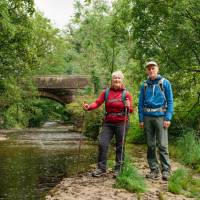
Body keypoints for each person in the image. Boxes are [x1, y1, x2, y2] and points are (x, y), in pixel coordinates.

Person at [82, 70, 134, 177]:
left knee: (120, 146)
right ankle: (101, 168)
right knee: (102, 143)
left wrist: (128, 106)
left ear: (122, 80)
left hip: (122, 123)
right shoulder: (106, 92)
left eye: (119, 78)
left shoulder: (126, 93)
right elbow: (97, 102)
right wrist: (89, 107)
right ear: (112, 80)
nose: (117, 80)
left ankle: (119, 169)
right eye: (115, 78)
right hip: (108, 123)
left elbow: (132, 110)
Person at [138, 61, 174, 181]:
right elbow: (140, 103)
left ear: (157, 69)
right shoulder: (144, 85)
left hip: (161, 117)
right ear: (147, 71)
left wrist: (168, 117)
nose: (151, 70)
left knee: (163, 145)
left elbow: (170, 101)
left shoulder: (165, 83)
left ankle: (166, 170)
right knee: (150, 145)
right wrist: (141, 119)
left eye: (153, 68)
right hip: (147, 117)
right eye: (149, 69)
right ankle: (154, 170)